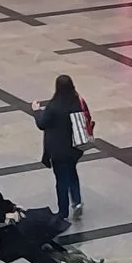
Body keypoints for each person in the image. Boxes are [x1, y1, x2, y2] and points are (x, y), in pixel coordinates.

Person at [31, 75, 92, 220]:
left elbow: (42, 124)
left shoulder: (54, 106)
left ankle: (63, 211)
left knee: (61, 180)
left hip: (58, 150)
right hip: (74, 147)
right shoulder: (77, 101)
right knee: (72, 173)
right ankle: (76, 201)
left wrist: (36, 111)